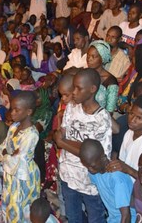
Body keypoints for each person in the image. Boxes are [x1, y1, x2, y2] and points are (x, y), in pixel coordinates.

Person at [53, 68, 111, 223]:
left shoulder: (102, 118)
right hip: (68, 175)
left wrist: (63, 143)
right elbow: (61, 134)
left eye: (79, 88)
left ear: (92, 89)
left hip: (89, 182)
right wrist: (72, 144)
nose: (74, 93)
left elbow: (96, 156)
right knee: (73, 218)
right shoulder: (71, 107)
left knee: (95, 219)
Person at [0, 91, 41, 223]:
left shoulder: (32, 134)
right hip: (10, 173)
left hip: (23, 175)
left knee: (19, 205)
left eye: (17, 110)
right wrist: (7, 154)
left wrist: (6, 154)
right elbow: (3, 147)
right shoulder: (13, 127)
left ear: (28, 112)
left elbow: (18, 160)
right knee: (8, 201)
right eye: (12, 109)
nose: (12, 113)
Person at [79, 138, 136, 223]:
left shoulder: (117, 179)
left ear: (103, 158)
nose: (90, 169)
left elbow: (126, 215)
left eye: (92, 165)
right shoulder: (95, 172)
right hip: (113, 219)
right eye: (86, 166)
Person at [87, 40, 119, 113]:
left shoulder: (111, 82)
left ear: (102, 58)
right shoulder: (85, 74)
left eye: (93, 56)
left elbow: (110, 111)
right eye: (88, 56)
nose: (89, 59)